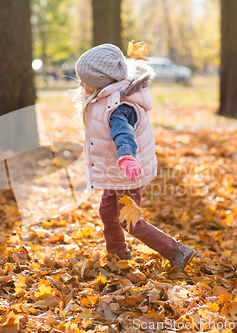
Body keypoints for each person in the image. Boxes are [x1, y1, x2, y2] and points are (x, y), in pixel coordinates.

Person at [72, 44, 196, 272]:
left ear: (102, 81)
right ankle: (117, 255)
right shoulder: (104, 96)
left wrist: (127, 157)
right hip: (114, 173)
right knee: (108, 214)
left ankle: (176, 251)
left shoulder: (120, 106)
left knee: (129, 221)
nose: (80, 84)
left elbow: (123, 133)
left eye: (84, 80)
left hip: (127, 171)